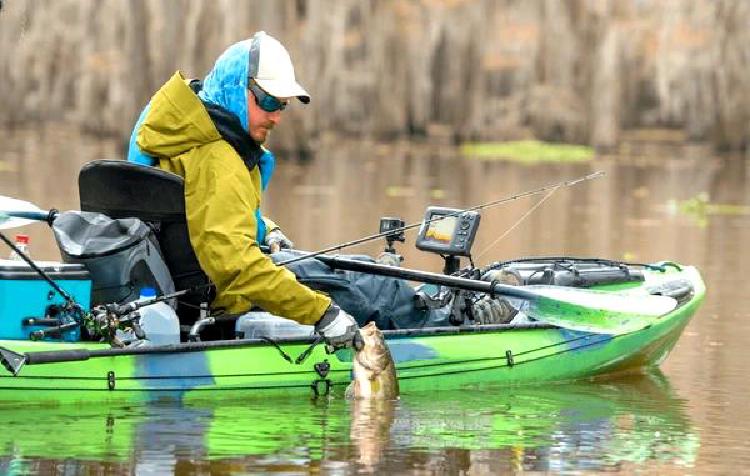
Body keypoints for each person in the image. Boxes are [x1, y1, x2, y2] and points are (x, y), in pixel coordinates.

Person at [126, 31, 357, 350]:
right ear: (235, 88)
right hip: (226, 299)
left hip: (172, 300)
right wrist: (323, 314)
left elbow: (202, 211)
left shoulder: (170, 128)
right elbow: (234, 265)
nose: (275, 116)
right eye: (268, 101)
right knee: (363, 286)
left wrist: (267, 229)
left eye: (283, 105)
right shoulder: (219, 158)